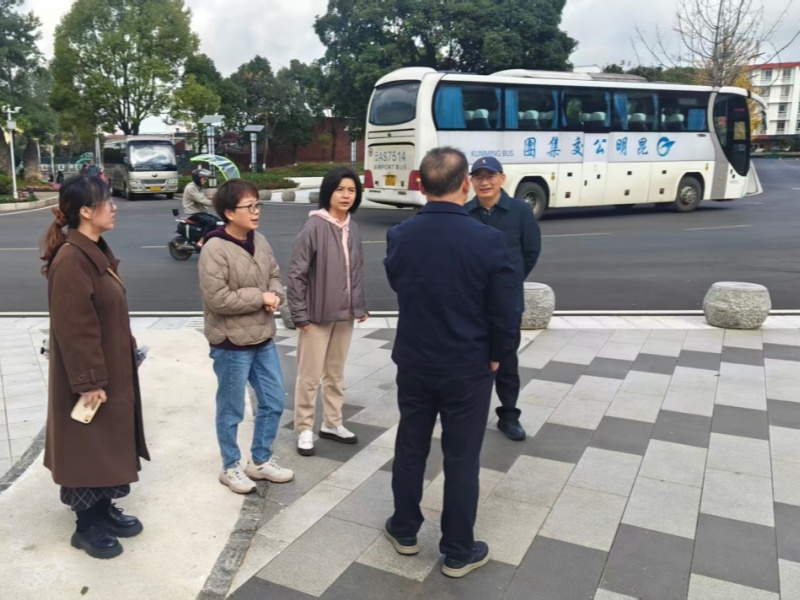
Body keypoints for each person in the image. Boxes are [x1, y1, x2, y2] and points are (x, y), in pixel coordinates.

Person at [383, 147, 517, 578]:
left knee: (411, 446)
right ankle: (458, 550)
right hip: (467, 365)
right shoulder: (487, 239)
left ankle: (404, 529)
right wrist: (497, 356)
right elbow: (506, 310)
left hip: (416, 362)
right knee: (461, 456)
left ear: (421, 185)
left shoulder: (401, 235)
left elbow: (400, 283)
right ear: (464, 184)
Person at [39, 176, 149, 560]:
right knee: (87, 446)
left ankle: (103, 510)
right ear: (86, 211)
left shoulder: (92, 250)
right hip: (90, 377)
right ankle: (85, 527)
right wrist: (89, 382)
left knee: (104, 443)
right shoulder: (72, 259)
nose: (114, 208)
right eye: (107, 202)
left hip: (109, 369)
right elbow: (75, 329)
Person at [198, 178, 294, 494]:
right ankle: (230, 466)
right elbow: (218, 299)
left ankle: (260, 461)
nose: (256, 211)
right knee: (231, 409)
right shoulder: (214, 248)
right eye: (249, 206)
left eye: (258, 204)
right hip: (230, 342)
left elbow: (274, 275)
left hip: (262, 336)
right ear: (229, 213)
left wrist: (275, 294)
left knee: (274, 400)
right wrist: (260, 297)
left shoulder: (260, 240)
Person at [287, 166, 368, 457]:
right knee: (310, 376)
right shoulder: (314, 226)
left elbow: (355, 271)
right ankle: (304, 428)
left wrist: (359, 306)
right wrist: (299, 314)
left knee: (335, 373)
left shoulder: (352, 227)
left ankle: (332, 423)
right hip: (316, 316)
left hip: (344, 315)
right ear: (328, 192)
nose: (346, 195)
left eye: (351, 190)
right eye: (340, 189)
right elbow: (296, 274)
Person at [464, 157, 542, 441]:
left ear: (502, 178)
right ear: (471, 181)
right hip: (472, 304)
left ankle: (509, 415)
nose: (484, 182)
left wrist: (509, 283)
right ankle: (471, 412)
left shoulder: (520, 211)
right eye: (478, 177)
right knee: (472, 360)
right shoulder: (465, 213)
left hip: (507, 304)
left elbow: (531, 252)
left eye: (490, 176)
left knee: (506, 360)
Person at [183, 169, 217, 242]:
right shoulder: (191, 188)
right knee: (211, 221)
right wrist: (218, 202)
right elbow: (202, 200)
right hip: (193, 213)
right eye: (203, 178)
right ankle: (201, 241)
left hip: (200, 212)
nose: (205, 181)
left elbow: (203, 197)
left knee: (219, 221)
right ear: (198, 179)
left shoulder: (198, 187)